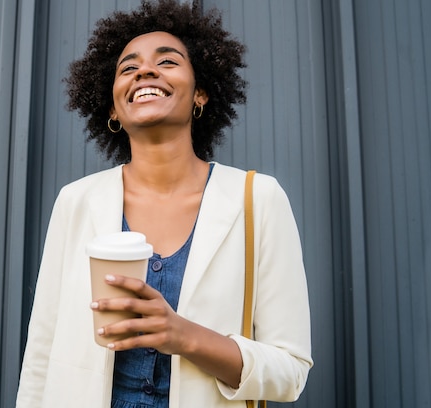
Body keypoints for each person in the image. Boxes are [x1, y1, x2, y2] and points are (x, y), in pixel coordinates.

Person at [16, 0, 312, 407]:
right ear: (114, 107)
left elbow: (290, 371)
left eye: (167, 61)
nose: (145, 71)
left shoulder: (258, 199)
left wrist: (184, 336)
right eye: (128, 67)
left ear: (201, 93)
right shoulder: (76, 202)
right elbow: (41, 359)